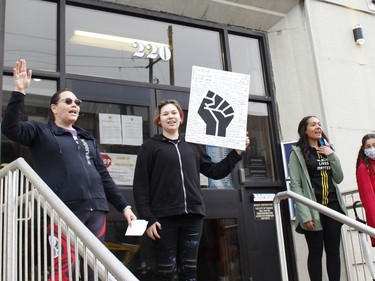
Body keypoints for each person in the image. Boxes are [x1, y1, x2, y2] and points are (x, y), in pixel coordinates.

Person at [1, 59, 137, 280]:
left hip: (96, 210)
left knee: (94, 269)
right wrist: (19, 92)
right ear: (54, 108)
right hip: (62, 211)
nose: (75, 105)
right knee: (66, 269)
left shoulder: (86, 137)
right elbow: (10, 128)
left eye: (77, 102)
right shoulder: (40, 132)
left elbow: (103, 176)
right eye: (68, 101)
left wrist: (124, 207)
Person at [133, 99, 250, 281]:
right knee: (165, 272)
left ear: (180, 118)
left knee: (189, 272)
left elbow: (214, 171)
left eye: (174, 113)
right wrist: (148, 219)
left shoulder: (192, 145)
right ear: (158, 121)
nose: (170, 117)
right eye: (165, 114)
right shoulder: (150, 147)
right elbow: (140, 186)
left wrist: (236, 153)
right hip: (163, 220)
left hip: (193, 217)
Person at [289, 115, 347, 281]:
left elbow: (339, 178)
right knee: (315, 252)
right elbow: (296, 186)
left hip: (333, 207)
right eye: (313, 124)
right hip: (313, 209)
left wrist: (332, 155)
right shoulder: (298, 153)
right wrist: (305, 214)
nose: (318, 127)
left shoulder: (328, 149)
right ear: (305, 130)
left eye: (319, 124)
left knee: (333, 251)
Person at [356, 134, 375, 246]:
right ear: (363, 149)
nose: (372, 148)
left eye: (374, 145)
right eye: (368, 146)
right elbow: (368, 200)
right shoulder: (363, 168)